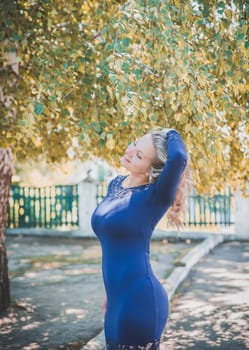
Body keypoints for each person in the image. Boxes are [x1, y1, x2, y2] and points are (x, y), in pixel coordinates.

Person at [91, 128, 189, 350]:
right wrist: (110, 292)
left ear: (151, 169)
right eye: (134, 143)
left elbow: (178, 157)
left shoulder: (156, 196)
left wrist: (170, 131)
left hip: (141, 300)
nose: (130, 151)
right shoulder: (115, 184)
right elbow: (115, 246)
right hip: (115, 301)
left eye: (139, 155)